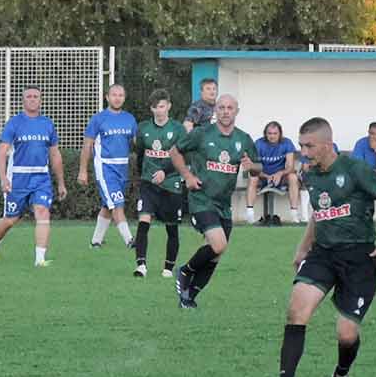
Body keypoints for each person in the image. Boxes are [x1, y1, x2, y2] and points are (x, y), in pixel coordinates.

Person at [267, 116, 376, 377]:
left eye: (309, 146)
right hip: (323, 254)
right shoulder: (311, 175)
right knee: (296, 310)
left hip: (359, 258)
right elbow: (319, 214)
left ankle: (340, 375)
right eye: (301, 146)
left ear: (328, 144)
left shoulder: (355, 169)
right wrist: (303, 248)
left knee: (346, 332)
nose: (304, 152)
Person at [169, 94, 257, 309]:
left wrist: (252, 167)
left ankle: (189, 298)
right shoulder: (201, 133)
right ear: (215, 111)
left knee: (216, 254)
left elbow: (258, 168)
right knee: (218, 245)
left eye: (230, 108)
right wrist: (188, 176)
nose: (225, 111)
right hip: (201, 199)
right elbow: (174, 151)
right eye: (221, 107)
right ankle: (185, 271)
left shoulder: (244, 139)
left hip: (224, 204)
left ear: (237, 111)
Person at [0, 87, 66, 267]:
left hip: (41, 178)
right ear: (23, 100)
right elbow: (2, 152)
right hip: (18, 179)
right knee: (10, 220)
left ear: (40, 100)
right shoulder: (14, 123)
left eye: (36, 96)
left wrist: (61, 183)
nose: (32, 99)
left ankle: (40, 260)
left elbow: (55, 154)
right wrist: (3, 178)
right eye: (29, 96)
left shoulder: (48, 124)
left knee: (43, 212)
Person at [131, 91, 187, 279]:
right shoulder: (143, 128)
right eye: (155, 107)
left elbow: (181, 156)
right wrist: (142, 176)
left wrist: (165, 171)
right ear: (151, 109)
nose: (159, 110)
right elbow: (140, 154)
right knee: (143, 221)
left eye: (162, 106)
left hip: (171, 184)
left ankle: (168, 268)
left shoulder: (178, 129)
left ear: (169, 106)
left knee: (171, 228)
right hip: (149, 184)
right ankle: (141, 266)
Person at [78, 83, 137, 251]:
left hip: (122, 168)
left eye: (120, 95)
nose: (117, 98)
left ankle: (95, 242)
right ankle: (130, 241)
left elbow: (137, 143)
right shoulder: (98, 119)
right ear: (107, 97)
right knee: (117, 204)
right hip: (105, 168)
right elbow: (87, 145)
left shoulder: (130, 119)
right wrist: (83, 170)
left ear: (124, 98)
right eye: (114, 95)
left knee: (108, 205)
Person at [246, 121, 300, 225]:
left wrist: (280, 173)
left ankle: (294, 214)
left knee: (293, 177)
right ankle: (250, 214)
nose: (272, 136)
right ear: (265, 134)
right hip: (263, 176)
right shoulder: (259, 144)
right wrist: (266, 176)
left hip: (281, 177)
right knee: (253, 177)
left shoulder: (287, 143)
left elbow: (290, 167)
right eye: (269, 133)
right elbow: (253, 167)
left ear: (280, 134)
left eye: (275, 133)